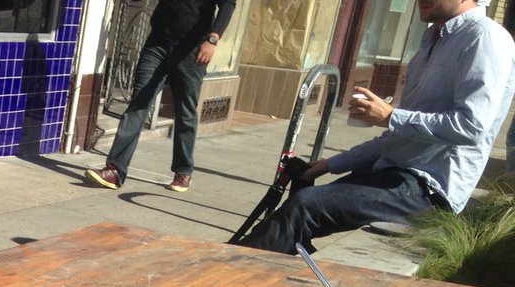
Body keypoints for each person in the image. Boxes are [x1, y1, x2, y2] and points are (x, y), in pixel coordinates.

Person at [239, 0, 515, 255]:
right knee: (300, 199)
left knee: (305, 207)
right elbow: (399, 136)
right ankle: (257, 269)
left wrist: (391, 116)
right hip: (395, 172)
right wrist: (330, 164)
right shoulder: (433, 39)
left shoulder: (484, 38)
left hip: (428, 190)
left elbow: (472, 126)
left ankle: (228, 272)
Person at [84, 0, 237, 194]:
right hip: (158, 44)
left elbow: (228, 4)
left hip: (192, 50)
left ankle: (183, 171)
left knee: (185, 111)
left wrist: (213, 39)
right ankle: (115, 170)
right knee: (138, 104)